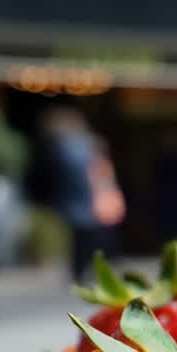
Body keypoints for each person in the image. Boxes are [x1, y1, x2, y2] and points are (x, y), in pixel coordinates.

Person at [41, 108, 120, 281]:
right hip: (92, 199)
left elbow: (62, 176)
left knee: (81, 240)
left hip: (81, 200)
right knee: (92, 239)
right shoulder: (88, 145)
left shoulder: (64, 148)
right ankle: (92, 269)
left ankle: (82, 270)